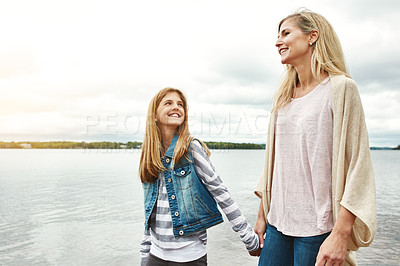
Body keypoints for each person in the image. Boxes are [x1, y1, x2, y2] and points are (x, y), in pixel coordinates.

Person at [252, 9, 376, 266]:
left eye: (286, 33)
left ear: (312, 37)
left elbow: (358, 167)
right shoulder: (283, 97)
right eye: (277, 35)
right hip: (277, 225)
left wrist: (340, 234)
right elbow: (275, 164)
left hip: (318, 229)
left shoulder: (341, 88)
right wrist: (262, 215)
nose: (278, 41)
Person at [139, 87, 259, 266]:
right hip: (155, 257)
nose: (176, 107)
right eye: (168, 103)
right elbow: (150, 214)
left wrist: (248, 237)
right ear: (154, 115)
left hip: (189, 257)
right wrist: (144, 255)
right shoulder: (150, 157)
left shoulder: (191, 149)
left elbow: (221, 193)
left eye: (180, 104)